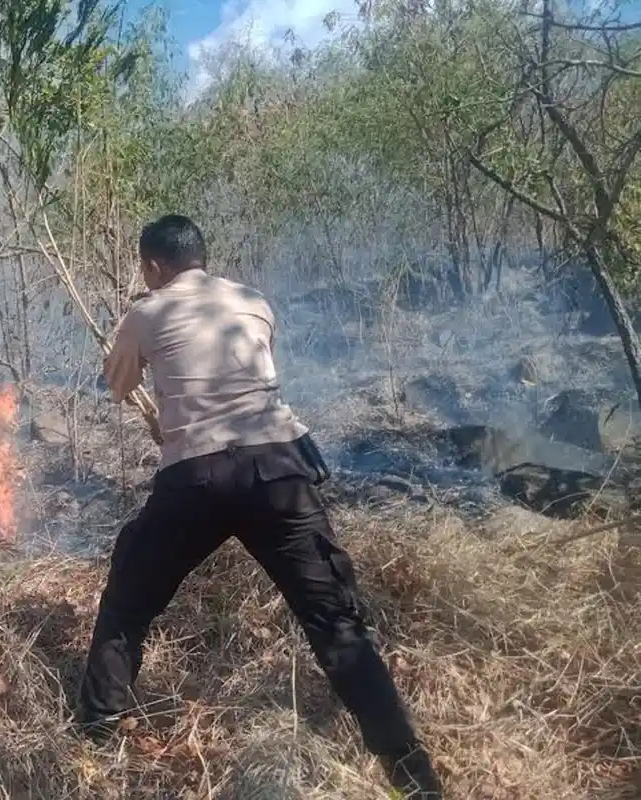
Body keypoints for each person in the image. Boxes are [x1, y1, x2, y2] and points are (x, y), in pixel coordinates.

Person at [77, 215, 443, 798]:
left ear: (152, 266)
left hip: (196, 475)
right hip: (279, 472)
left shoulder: (146, 313)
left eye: (144, 270)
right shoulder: (252, 301)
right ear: (202, 256)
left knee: (127, 602)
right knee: (336, 623)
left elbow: (119, 386)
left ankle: (93, 741)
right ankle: (412, 776)